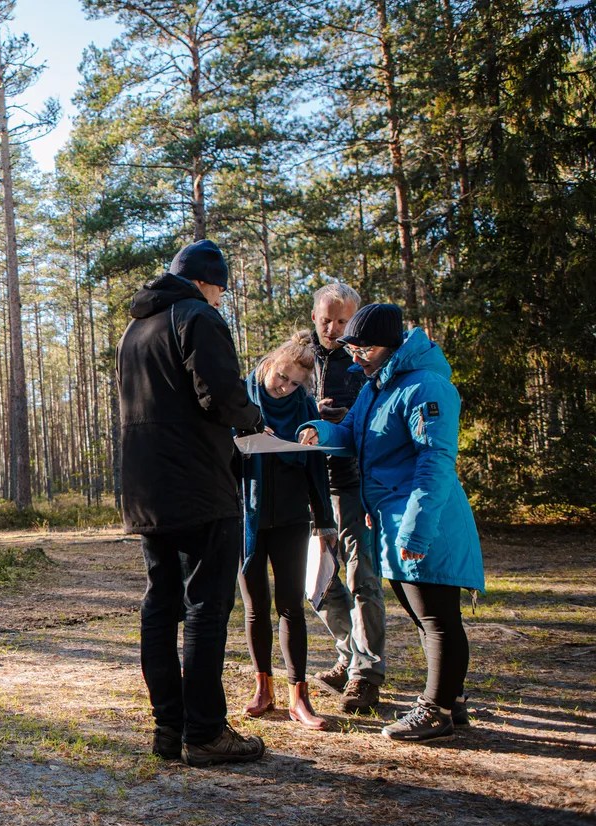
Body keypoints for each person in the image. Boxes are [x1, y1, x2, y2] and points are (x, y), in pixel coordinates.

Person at [298, 303, 484, 742]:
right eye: (353, 348)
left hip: (425, 520)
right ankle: (451, 702)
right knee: (425, 618)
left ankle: (435, 711)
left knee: (437, 619)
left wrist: (418, 530)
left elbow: (435, 462)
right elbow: (353, 435)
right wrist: (320, 433)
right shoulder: (378, 386)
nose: (356, 356)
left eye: (364, 348)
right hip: (393, 519)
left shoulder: (426, 386)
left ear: (390, 346)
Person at [117, 239, 267, 767]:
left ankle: (169, 728)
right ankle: (204, 733)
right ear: (207, 281)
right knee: (206, 605)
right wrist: (253, 421)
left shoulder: (136, 328)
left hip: (146, 487)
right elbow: (219, 396)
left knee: (161, 604)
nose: (223, 299)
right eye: (222, 289)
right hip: (200, 485)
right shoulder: (197, 316)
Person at [238, 331, 337, 731]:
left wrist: (325, 520)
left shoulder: (305, 407)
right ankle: (264, 689)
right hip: (247, 517)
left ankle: (299, 697)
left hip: (293, 517)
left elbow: (315, 466)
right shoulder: (241, 398)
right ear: (269, 364)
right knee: (256, 607)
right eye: (282, 377)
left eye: (295, 383)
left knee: (292, 605)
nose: (285, 387)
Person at [307, 284, 387, 713]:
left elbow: (378, 420)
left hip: (354, 484)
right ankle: (347, 653)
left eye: (343, 322)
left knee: (362, 580)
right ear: (314, 316)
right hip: (310, 486)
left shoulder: (366, 360)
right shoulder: (298, 357)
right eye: (327, 321)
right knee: (318, 583)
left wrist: (343, 420)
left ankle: (366, 674)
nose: (334, 330)